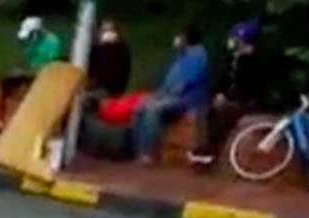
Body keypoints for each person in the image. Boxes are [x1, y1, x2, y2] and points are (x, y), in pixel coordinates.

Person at [191, 21, 268, 168]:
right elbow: (220, 80)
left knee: (223, 110)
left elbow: (252, 88)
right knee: (204, 110)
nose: (232, 42)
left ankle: (210, 149)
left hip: (246, 101)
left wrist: (229, 97)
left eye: (237, 40)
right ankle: (204, 148)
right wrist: (219, 93)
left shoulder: (255, 62)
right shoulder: (230, 59)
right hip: (228, 99)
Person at [134, 26, 210, 164]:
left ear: (186, 38)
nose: (177, 40)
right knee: (139, 107)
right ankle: (137, 149)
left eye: (180, 36)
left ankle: (150, 153)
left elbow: (184, 84)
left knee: (153, 109)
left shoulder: (198, 55)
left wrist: (161, 96)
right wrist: (159, 94)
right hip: (170, 95)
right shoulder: (181, 56)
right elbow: (169, 81)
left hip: (186, 100)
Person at [0, 15, 62, 134]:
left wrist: (25, 72)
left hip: (46, 78)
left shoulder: (53, 42)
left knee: (28, 92)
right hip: (31, 75)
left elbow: (51, 68)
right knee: (1, 84)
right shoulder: (32, 42)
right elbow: (29, 62)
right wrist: (19, 70)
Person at [87, 18, 131, 97]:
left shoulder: (119, 50)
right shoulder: (95, 49)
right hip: (98, 89)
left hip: (109, 91)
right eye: (105, 30)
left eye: (111, 30)